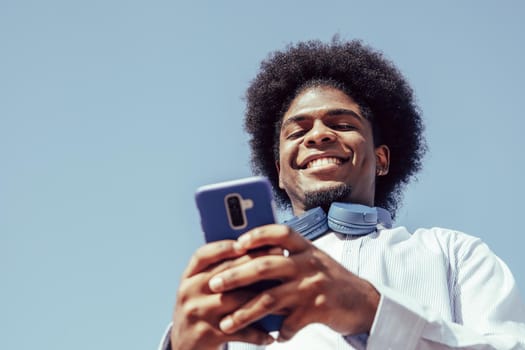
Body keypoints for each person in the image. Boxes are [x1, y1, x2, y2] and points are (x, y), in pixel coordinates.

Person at [159, 38, 525, 350]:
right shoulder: (232, 287)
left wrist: (371, 310)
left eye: (342, 124)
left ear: (381, 159)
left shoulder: (456, 254)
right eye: (296, 131)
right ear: (280, 173)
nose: (317, 135)